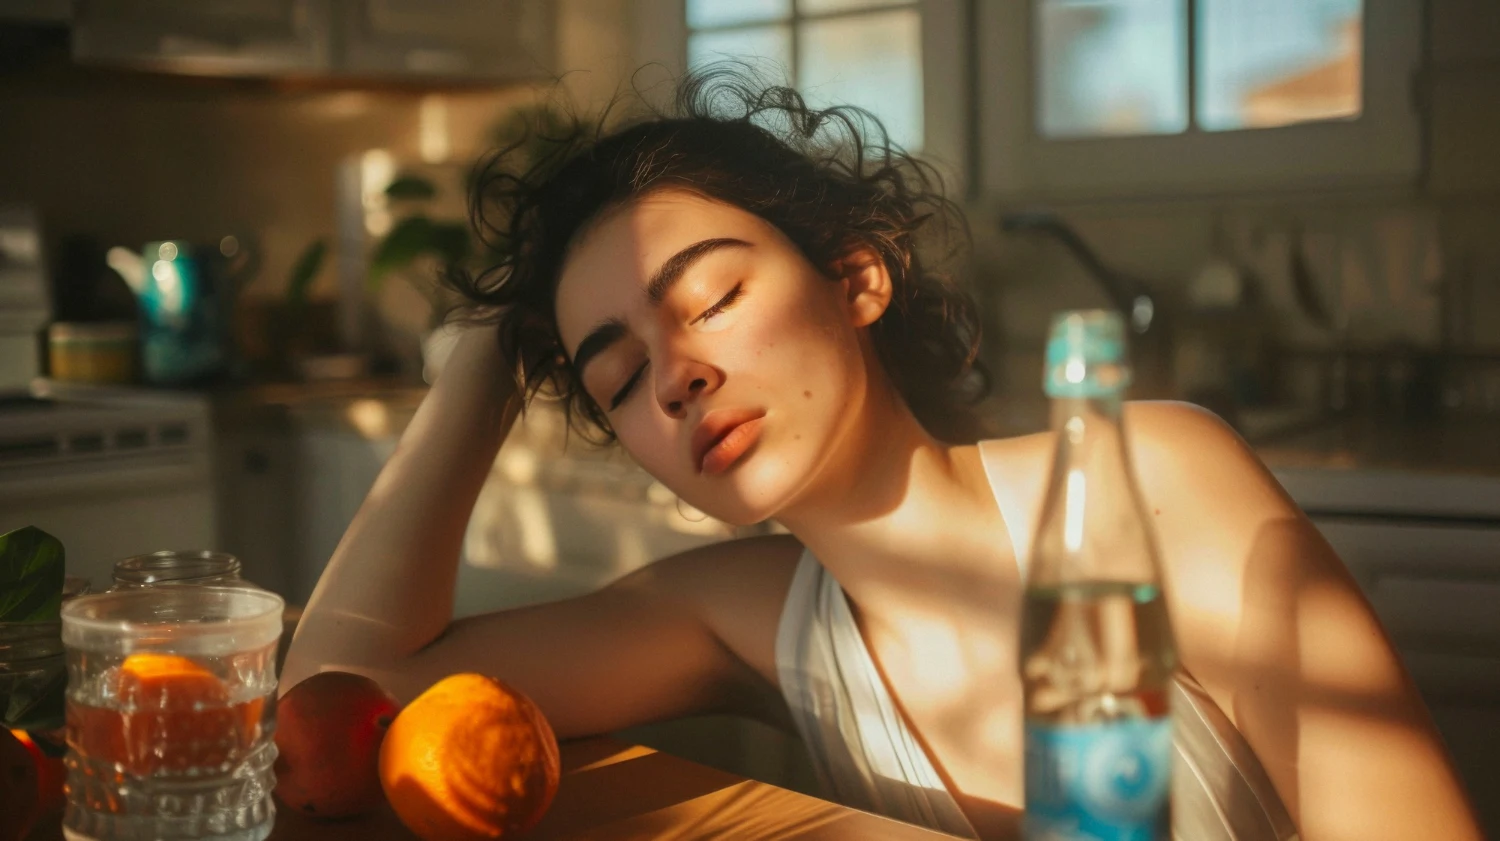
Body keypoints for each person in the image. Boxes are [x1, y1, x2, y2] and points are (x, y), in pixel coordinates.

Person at [283, 71, 1482, 841]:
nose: (674, 373)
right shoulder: (744, 614)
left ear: (858, 274)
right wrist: (493, 355)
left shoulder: (1144, 485)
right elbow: (328, 709)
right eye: (617, 373)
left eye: (708, 297)